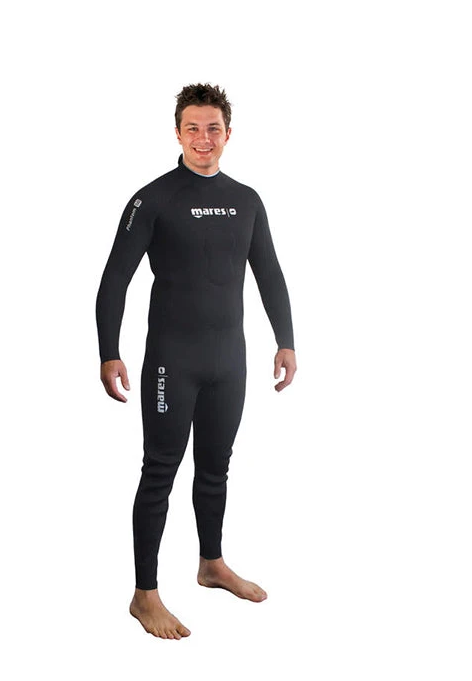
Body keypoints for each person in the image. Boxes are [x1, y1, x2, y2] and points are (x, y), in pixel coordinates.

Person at [95, 83, 297, 639]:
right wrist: (109, 351)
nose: (203, 138)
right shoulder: (153, 199)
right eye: (193, 128)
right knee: (160, 469)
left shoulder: (247, 200)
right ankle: (145, 595)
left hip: (229, 359)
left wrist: (285, 339)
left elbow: (270, 273)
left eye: (213, 128)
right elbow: (114, 280)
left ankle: (212, 564)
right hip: (172, 361)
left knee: (216, 466)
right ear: (177, 133)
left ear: (228, 134)